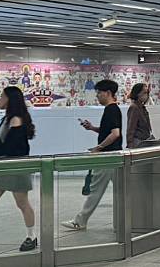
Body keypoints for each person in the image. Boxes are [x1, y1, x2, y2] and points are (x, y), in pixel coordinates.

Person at [62, 80, 123, 231]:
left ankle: (80, 220)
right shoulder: (113, 109)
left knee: (95, 190)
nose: (97, 96)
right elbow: (108, 131)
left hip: (107, 156)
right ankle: (128, 219)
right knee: (121, 190)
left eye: (99, 93)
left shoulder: (111, 109)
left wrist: (98, 147)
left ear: (108, 93)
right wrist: (92, 128)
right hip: (115, 155)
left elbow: (115, 134)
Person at [0, 87, 38, 251]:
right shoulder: (8, 119)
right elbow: (0, 141)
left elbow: (10, 148)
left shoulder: (16, 120)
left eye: (1, 96)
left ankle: (31, 236)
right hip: (5, 167)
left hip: (16, 168)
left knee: (22, 203)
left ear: (9, 99)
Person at [126, 83, 153, 148]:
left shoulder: (142, 107)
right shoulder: (134, 107)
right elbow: (131, 129)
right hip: (138, 142)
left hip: (145, 140)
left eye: (147, 93)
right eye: (144, 92)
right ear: (137, 93)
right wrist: (130, 145)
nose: (146, 95)